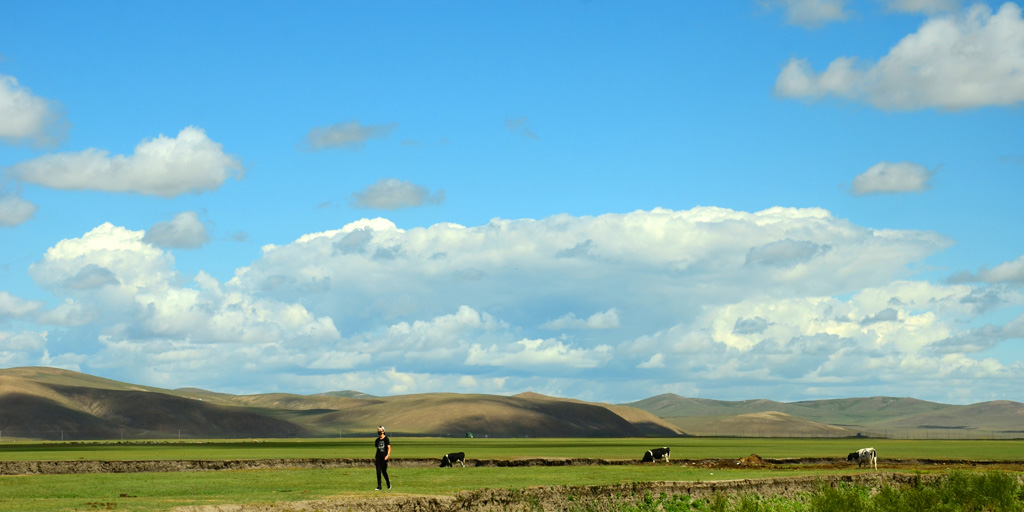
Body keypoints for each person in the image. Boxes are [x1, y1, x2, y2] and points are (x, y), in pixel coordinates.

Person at [373, 425, 391, 490]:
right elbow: (377, 449)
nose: (379, 432)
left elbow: (389, 448)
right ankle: (379, 486)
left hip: (384, 458)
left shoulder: (386, 439)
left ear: (383, 431)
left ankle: (388, 483)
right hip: (378, 458)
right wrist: (376, 459)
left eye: (380, 431)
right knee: (378, 472)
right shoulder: (377, 440)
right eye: (378, 431)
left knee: (384, 472)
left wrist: (387, 455)